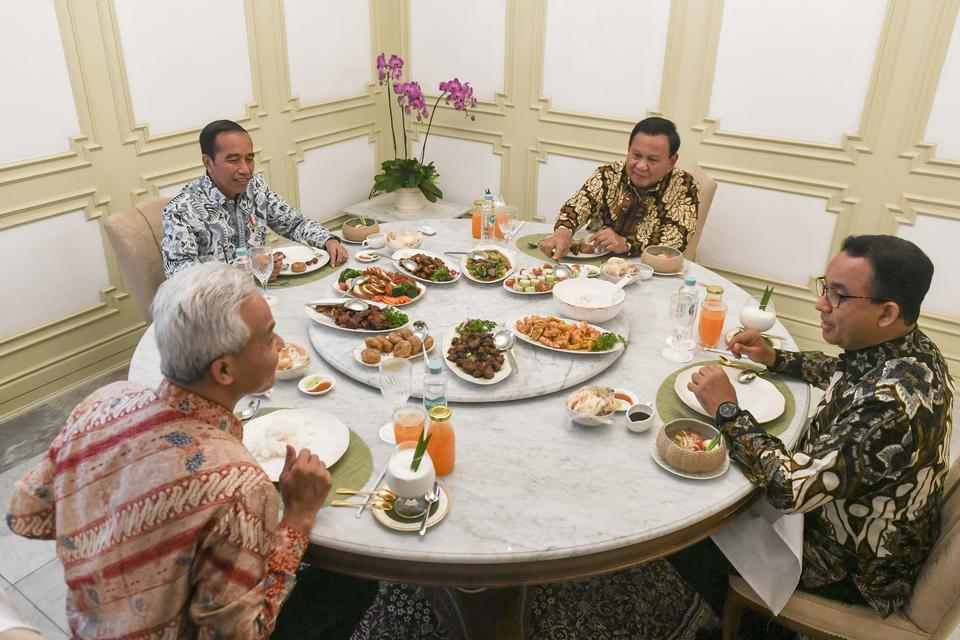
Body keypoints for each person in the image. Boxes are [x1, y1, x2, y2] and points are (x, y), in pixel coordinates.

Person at [6, 263, 375, 638]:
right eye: (268, 337)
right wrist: (297, 517)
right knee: (353, 584)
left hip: (91, 626)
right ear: (224, 371)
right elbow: (240, 634)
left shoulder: (104, 401)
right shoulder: (239, 484)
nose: (280, 345)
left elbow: (27, 513)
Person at [674, 235, 953, 636]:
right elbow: (845, 371)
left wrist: (726, 409)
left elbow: (790, 490)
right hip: (872, 526)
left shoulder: (889, 409)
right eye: (826, 287)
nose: (821, 304)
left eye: (838, 296)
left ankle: (753, 625)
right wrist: (775, 357)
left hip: (853, 565)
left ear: (887, 312)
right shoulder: (911, 351)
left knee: (692, 532)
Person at [161, 119, 349, 278]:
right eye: (233, 160)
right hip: (216, 310)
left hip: (265, 294)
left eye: (249, 159)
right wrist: (249, 269)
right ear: (208, 162)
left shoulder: (255, 186)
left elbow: (294, 224)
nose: (245, 169)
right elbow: (180, 275)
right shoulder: (181, 209)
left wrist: (327, 240)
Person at [538, 116, 700, 260]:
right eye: (636, 155)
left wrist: (626, 244)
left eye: (652, 160)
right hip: (593, 263)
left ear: (672, 160)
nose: (641, 166)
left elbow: (676, 239)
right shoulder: (608, 174)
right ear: (628, 150)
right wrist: (564, 231)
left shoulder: (684, 186)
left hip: (646, 270)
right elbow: (579, 204)